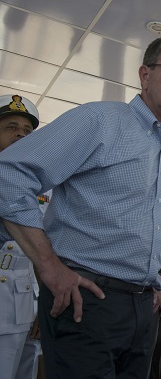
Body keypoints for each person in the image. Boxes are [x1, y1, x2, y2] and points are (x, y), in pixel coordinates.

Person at [0, 34, 161, 379]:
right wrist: (49, 266)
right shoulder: (101, 121)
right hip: (86, 299)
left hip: (142, 306)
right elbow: (9, 174)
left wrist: (157, 275)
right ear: (144, 75)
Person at [0, 95, 49, 379]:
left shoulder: (43, 187)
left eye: (27, 130)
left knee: (26, 372)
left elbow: (47, 249)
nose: (21, 133)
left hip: (27, 299)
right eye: (11, 127)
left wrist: (43, 307)